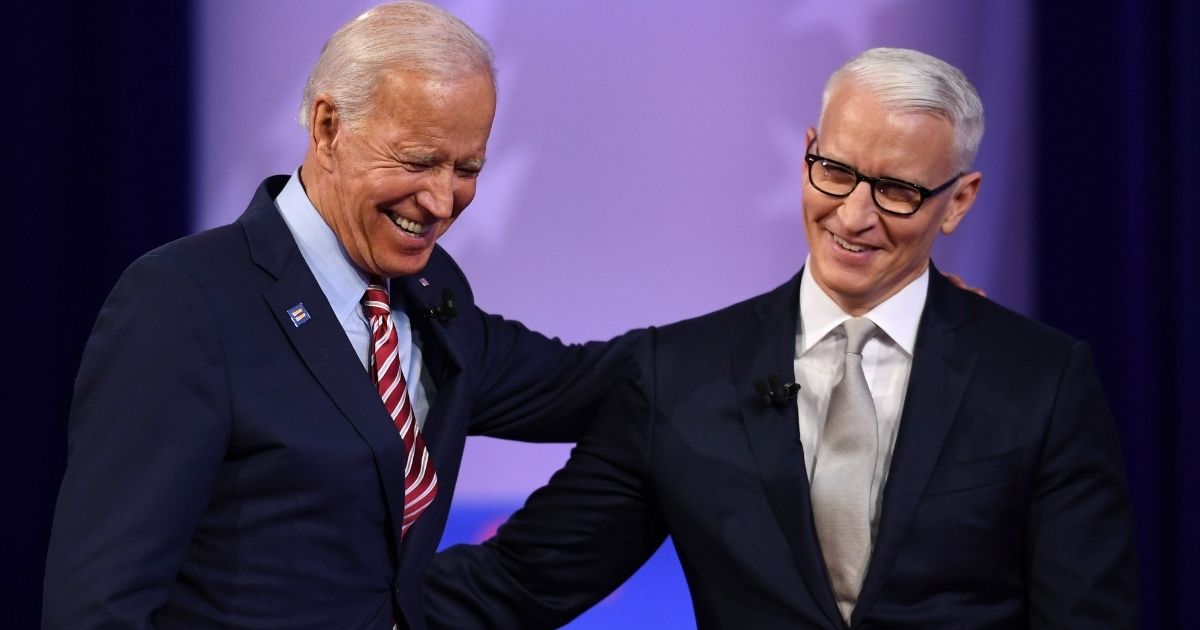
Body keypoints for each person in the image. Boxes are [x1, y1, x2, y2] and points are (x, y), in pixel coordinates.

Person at [425, 48, 1139, 628]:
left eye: (896, 190)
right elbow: (518, 584)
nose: (853, 216)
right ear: (808, 152)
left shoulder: (1040, 380)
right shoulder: (679, 375)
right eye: (834, 172)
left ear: (958, 201)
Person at [42, 3, 630, 628]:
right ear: (327, 127)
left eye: (466, 168)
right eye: (417, 160)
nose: (439, 201)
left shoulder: (433, 297)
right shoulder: (185, 301)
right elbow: (99, 606)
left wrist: (743, 348)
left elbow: (591, 382)